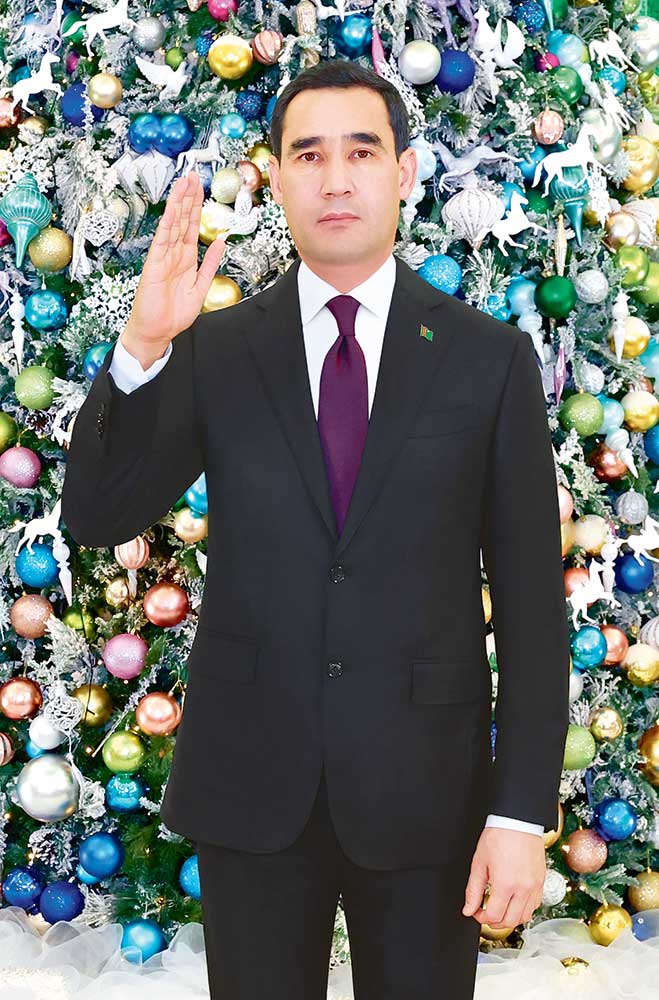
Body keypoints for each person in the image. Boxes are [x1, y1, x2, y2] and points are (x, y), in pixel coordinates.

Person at [61, 59, 570, 1000]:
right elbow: (98, 516)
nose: (335, 179)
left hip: (428, 798)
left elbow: (535, 609)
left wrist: (518, 814)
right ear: (278, 176)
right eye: (308, 155)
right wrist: (141, 347)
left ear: (403, 173)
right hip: (252, 789)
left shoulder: (487, 359)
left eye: (361, 152)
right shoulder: (216, 348)